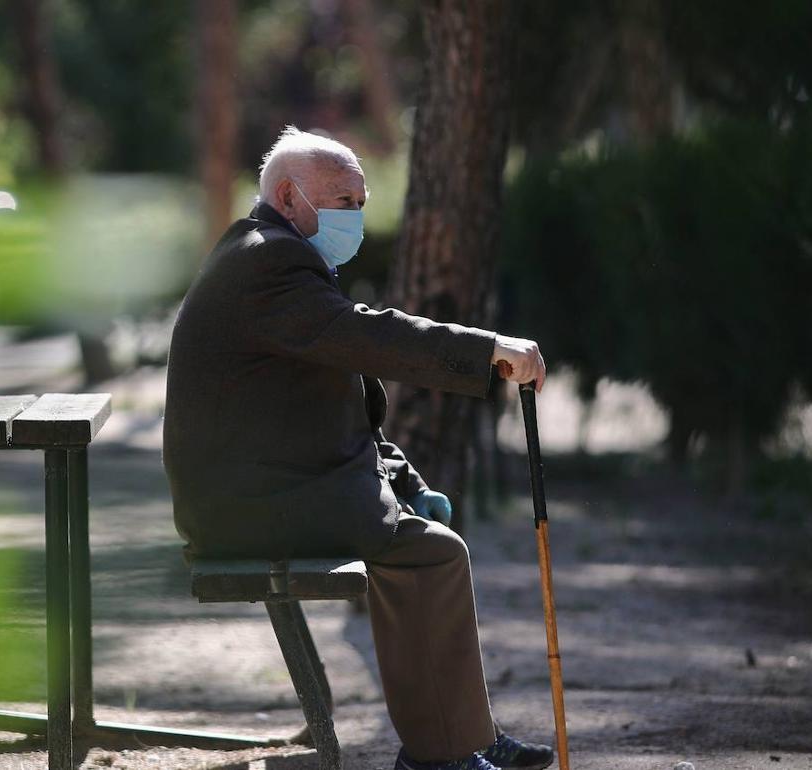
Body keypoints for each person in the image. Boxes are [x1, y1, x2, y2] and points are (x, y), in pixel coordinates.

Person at [162, 126, 551, 770]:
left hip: (260, 490)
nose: (358, 218)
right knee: (433, 554)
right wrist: (489, 351)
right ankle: (444, 753)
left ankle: (460, 739)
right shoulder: (269, 262)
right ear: (289, 197)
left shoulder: (270, 252)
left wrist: (398, 473)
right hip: (246, 506)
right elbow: (373, 338)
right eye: (345, 201)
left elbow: (328, 404)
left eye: (362, 201)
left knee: (420, 544)